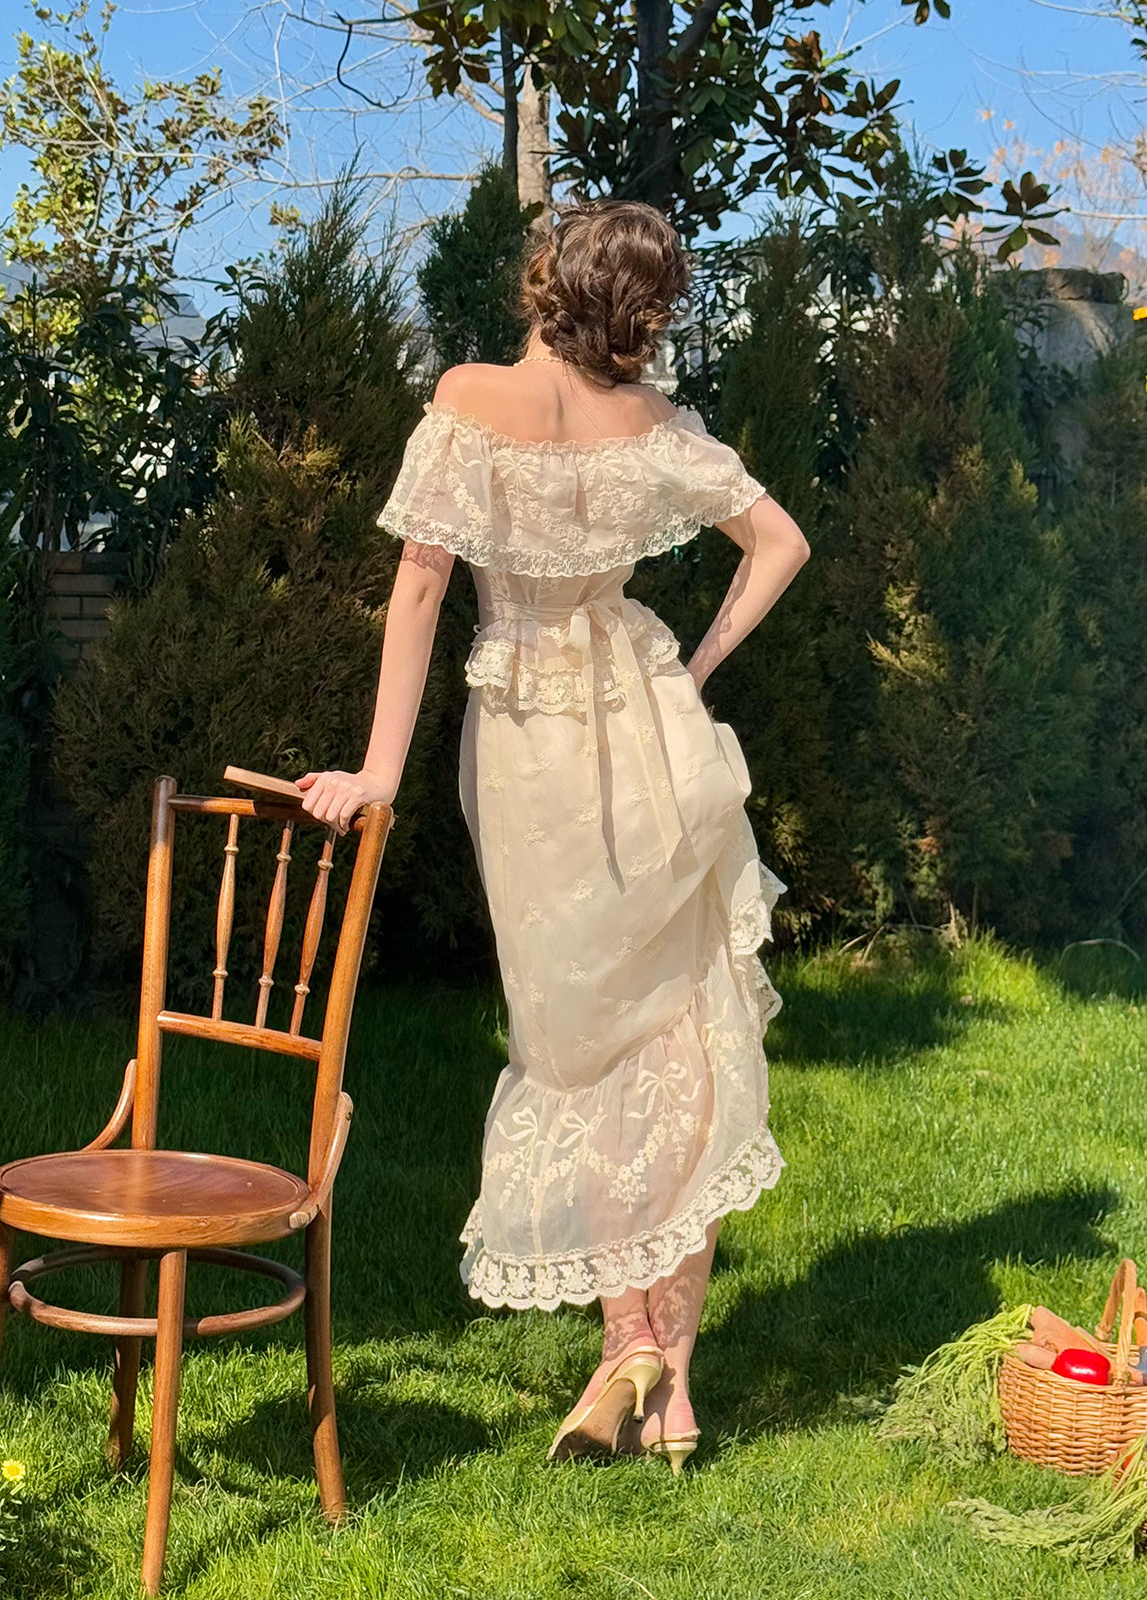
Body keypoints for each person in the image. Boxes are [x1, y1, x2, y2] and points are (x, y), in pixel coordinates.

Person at [297, 198, 810, 1473]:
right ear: (643, 312)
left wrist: (377, 768)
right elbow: (781, 542)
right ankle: (670, 1383)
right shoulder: (656, 426)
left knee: (572, 1040)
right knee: (687, 1025)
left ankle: (631, 1343)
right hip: (647, 720)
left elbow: (421, 585)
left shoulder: (471, 398)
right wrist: (696, 665)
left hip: (525, 731)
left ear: (544, 282)